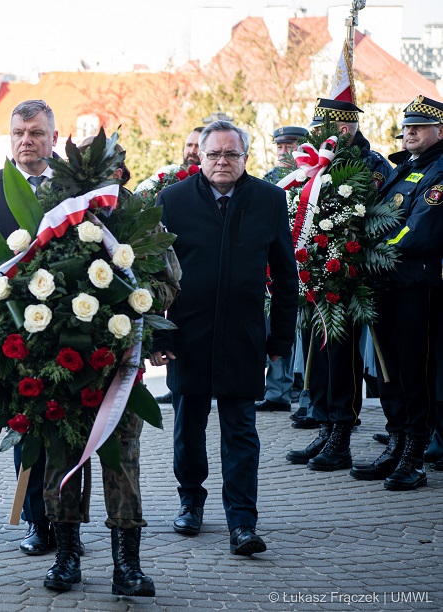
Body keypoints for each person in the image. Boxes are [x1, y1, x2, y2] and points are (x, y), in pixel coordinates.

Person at [149, 120, 297, 555]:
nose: (222, 162)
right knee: (188, 427)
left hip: (243, 336)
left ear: (245, 158)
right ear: (201, 157)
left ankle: (243, 522)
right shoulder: (172, 200)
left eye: (231, 154)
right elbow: (154, 276)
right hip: (186, 336)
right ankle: (190, 501)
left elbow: (286, 278)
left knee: (241, 430)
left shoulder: (270, 200)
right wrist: (156, 339)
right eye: (214, 154)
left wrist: (280, 342)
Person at [36, 136, 154, 596]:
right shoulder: (54, 217)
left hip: (119, 366)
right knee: (62, 459)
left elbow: (165, 283)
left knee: (122, 463)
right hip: (63, 367)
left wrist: (129, 307)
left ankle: (128, 565)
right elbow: (28, 274)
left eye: (105, 171)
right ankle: (66, 558)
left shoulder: (138, 215)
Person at [0, 99, 60, 558]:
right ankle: (39, 522)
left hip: (72, 330)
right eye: (19, 132)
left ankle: (69, 520)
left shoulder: (79, 187)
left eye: (36, 132)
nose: (27, 140)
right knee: (27, 430)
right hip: (12, 337)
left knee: (70, 429)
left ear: (53, 138)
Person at [286, 100, 393, 469]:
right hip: (312, 274)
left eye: (324, 128)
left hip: (347, 277)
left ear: (344, 128)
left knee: (341, 359)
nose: (317, 134)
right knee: (317, 357)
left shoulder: (372, 165)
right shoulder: (311, 162)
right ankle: (324, 426)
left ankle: (342, 433)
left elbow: (380, 219)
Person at [350, 95, 443, 490]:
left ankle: (415, 456)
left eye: (419, 127)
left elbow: (421, 228)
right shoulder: (402, 168)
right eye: (407, 126)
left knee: (413, 371)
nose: (410, 132)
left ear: (439, 131)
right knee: (389, 372)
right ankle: (396, 443)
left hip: (416, 287)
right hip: (386, 284)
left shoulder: (438, 172)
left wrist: (373, 251)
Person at [258, 126, 309, 414]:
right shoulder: (269, 179)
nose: (282, 151)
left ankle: (302, 392)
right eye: (279, 146)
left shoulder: (309, 176)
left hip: (305, 260)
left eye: (288, 146)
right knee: (274, 326)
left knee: (296, 329)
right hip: (274, 261)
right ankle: (277, 392)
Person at [153, 126, 205, 406]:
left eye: (198, 145)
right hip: (177, 295)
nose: (192, 151)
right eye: (188, 145)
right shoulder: (166, 189)